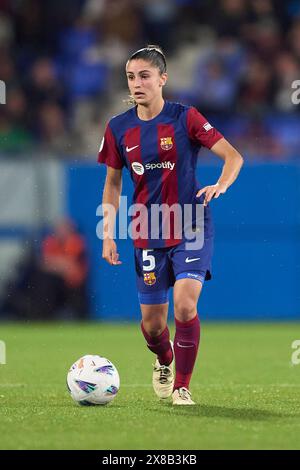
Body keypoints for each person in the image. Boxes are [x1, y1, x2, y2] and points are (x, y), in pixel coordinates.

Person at [98, 45, 243, 405]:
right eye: (131, 77)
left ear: (163, 79)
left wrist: (221, 184)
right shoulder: (118, 128)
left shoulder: (185, 117)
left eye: (144, 76)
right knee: (152, 325)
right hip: (147, 228)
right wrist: (107, 233)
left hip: (191, 223)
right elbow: (113, 184)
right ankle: (164, 359)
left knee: (185, 304)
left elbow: (233, 156)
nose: (136, 83)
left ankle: (182, 386)